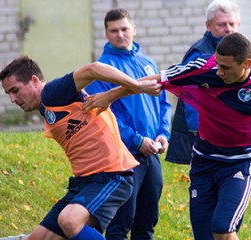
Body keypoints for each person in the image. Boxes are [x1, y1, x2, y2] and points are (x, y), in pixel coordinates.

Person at [84, 32, 251, 240]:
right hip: (203, 161)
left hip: (240, 164)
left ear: (246, 64)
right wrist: (110, 95)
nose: (219, 71)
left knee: (223, 227)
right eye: (217, 64)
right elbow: (154, 80)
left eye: (226, 68)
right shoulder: (203, 67)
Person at [0, 56, 161, 240]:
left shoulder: (52, 93)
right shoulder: (47, 105)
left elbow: (93, 69)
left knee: (70, 221)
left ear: (34, 81)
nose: (12, 99)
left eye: (15, 90)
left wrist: (136, 86)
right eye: (8, 94)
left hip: (112, 176)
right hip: (85, 182)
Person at [84, 8, 171, 240]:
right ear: (106, 33)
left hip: (151, 154)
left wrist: (164, 134)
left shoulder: (148, 63)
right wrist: (136, 140)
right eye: (114, 31)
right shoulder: (103, 70)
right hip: (123, 157)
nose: (120, 34)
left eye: (124, 29)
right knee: (121, 223)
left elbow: (163, 103)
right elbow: (103, 116)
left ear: (134, 29)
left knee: (147, 221)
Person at [166, 0, 240, 165]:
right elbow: (190, 95)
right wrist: (197, 132)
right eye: (221, 24)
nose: (228, 29)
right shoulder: (200, 53)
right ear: (208, 25)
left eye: (232, 23)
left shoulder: (236, 51)